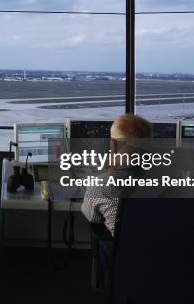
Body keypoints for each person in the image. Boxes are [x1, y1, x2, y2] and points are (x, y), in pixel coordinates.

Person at [81, 114, 153, 275]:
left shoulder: (101, 184)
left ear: (113, 145)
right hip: (164, 251)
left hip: (125, 256)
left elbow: (92, 217)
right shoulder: (172, 175)